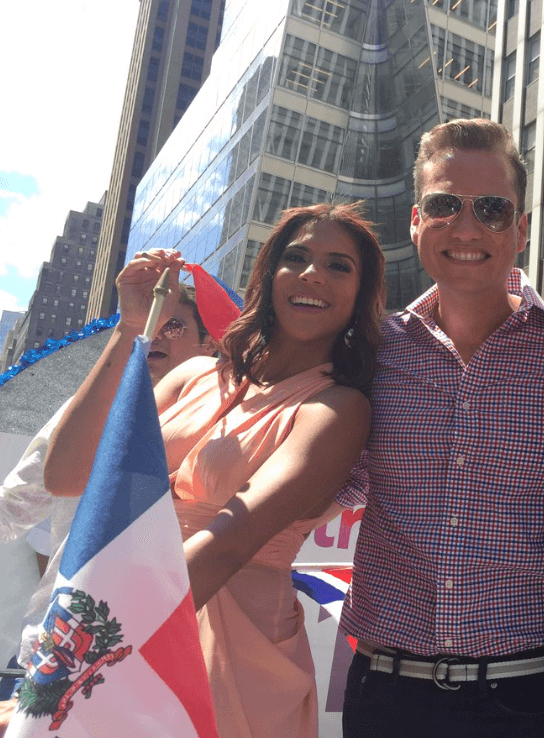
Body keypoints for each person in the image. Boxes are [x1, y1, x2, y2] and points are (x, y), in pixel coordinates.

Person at [42, 201, 385, 738]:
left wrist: (86, 665)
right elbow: (65, 474)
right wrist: (132, 328)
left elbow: (227, 543)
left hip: (228, 649)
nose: (314, 273)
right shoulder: (193, 375)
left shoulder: (339, 409)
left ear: (360, 297)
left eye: (339, 265)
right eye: (297, 257)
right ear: (269, 275)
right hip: (124, 617)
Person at [333, 118, 544, 738]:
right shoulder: (370, 353)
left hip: (532, 701)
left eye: (491, 208)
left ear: (522, 228)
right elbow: (328, 487)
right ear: (415, 221)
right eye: (444, 205)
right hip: (385, 699)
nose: (466, 226)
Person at [0, 285, 216, 733]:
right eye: (150, 322)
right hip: (67, 655)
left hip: (180, 656)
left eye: (172, 325)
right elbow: (12, 507)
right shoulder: (86, 415)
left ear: (208, 343)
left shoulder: (230, 427)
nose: (156, 334)